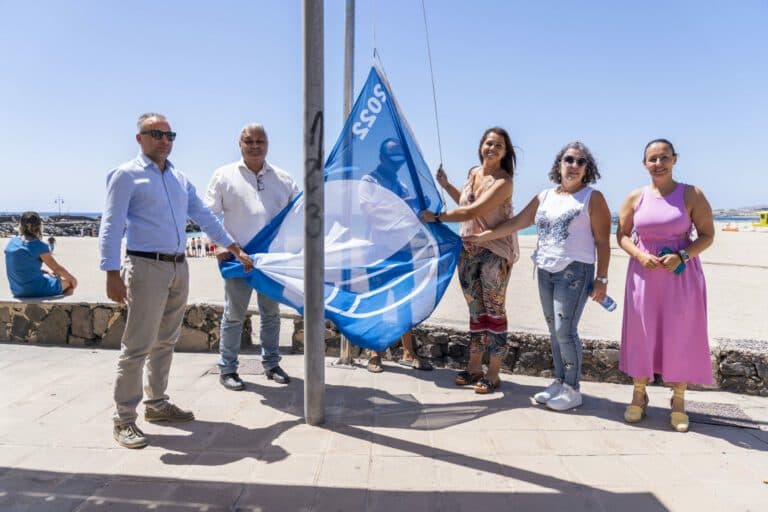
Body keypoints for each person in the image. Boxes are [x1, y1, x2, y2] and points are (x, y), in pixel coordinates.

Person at [99, 113, 253, 449]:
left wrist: (231, 245)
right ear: (140, 138)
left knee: (166, 341)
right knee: (136, 346)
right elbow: (111, 225)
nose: (164, 140)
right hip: (144, 267)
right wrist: (111, 272)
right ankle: (124, 419)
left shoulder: (180, 179)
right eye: (156, 133)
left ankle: (156, 404)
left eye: (169, 135)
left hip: (177, 267)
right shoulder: (126, 175)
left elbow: (205, 216)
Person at [464, 142, 612, 410]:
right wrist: (485, 236)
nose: (574, 166)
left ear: (587, 169)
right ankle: (559, 381)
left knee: (565, 331)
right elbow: (518, 222)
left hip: (575, 272)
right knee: (554, 331)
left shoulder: (593, 198)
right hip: (545, 269)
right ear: (559, 164)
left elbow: (603, 241)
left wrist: (601, 279)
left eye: (581, 162)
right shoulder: (545, 196)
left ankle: (572, 388)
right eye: (569, 159)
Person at [616, 139, 714, 432]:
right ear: (644, 163)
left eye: (664, 158)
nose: (658, 163)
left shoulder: (692, 194)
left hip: (681, 276)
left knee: (681, 334)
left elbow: (707, 235)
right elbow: (621, 235)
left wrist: (682, 255)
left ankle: (679, 399)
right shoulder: (635, 197)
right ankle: (639, 393)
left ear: (675, 159)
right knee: (641, 333)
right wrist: (639, 254)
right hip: (643, 275)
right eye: (652, 159)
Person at [421, 127, 519, 394]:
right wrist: (447, 186)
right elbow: (466, 204)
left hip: (494, 253)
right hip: (468, 250)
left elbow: (475, 210)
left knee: (494, 311)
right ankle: (474, 367)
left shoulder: (503, 182)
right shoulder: (473, 173)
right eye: (489, 143)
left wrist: (437, 217)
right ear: (481, 146)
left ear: (506, 152)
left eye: (499, 145)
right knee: (476, 312)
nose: (492, 148)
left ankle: (494, 372)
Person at [205, 124, 298, 391]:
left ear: (267, 144)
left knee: (271, 314)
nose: (255, 145)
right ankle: (228, 369)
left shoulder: (283, 178)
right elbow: (208, 214)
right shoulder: (223, 175)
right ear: (240, 144)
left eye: (260, 140)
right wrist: (218, 245)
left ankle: (271, 364)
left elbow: (299, 214)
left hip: (271, 262)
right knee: (234, 315)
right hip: (237, 258)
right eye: (249, 141)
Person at [359, 138, 432, 373]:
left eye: (399, 159)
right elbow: (371, 212)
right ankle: (374, 354)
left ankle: (409, 353)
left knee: (405, 302)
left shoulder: (401, 184)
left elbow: (409, 217)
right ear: (382, 157)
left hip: (403, 251)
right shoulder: (368, 181)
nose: (397, 163)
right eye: (392, 158)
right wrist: (403, 207)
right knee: (378, 301)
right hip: (378, 252)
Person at [4, 212, 77, 298]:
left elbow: (21, 266)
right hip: (33, 289)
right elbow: (57, 268)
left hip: (17, 290)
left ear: (21, 225)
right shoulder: (39, 245)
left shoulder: (12, 242)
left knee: (52, 276)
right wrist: (73, 280)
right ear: (39, 226)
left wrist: (45, 271)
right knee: (69, 284)